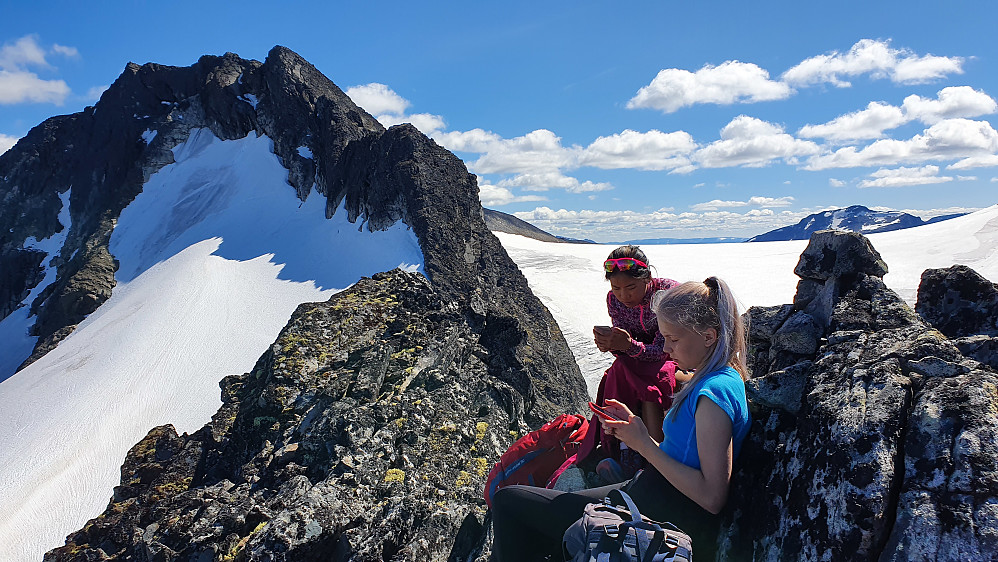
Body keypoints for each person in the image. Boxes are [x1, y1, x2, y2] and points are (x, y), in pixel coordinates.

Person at [491, 277, 751, 561]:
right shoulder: (717, 378)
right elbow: (686, 456)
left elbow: (712, 497)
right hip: (650, 491)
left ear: (709, 337)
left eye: (673, 339)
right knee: (539, 518)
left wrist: (643, 444)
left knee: (509, 502)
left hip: (661, 510)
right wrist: (635, 431)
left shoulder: (713, 395)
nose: (665, 349)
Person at [577, 245, 684, 482]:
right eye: (616, 288)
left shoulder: (667, 294)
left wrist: (628, 346)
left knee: (647, 383)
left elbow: (664, 349)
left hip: (675, 355)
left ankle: (651, 459)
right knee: (618, 372)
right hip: (638, 358)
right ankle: (629, 453)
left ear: (648, 278)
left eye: (631, 287)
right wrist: (610, 344)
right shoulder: (613, 301)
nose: (623, 296)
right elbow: (624, 343)